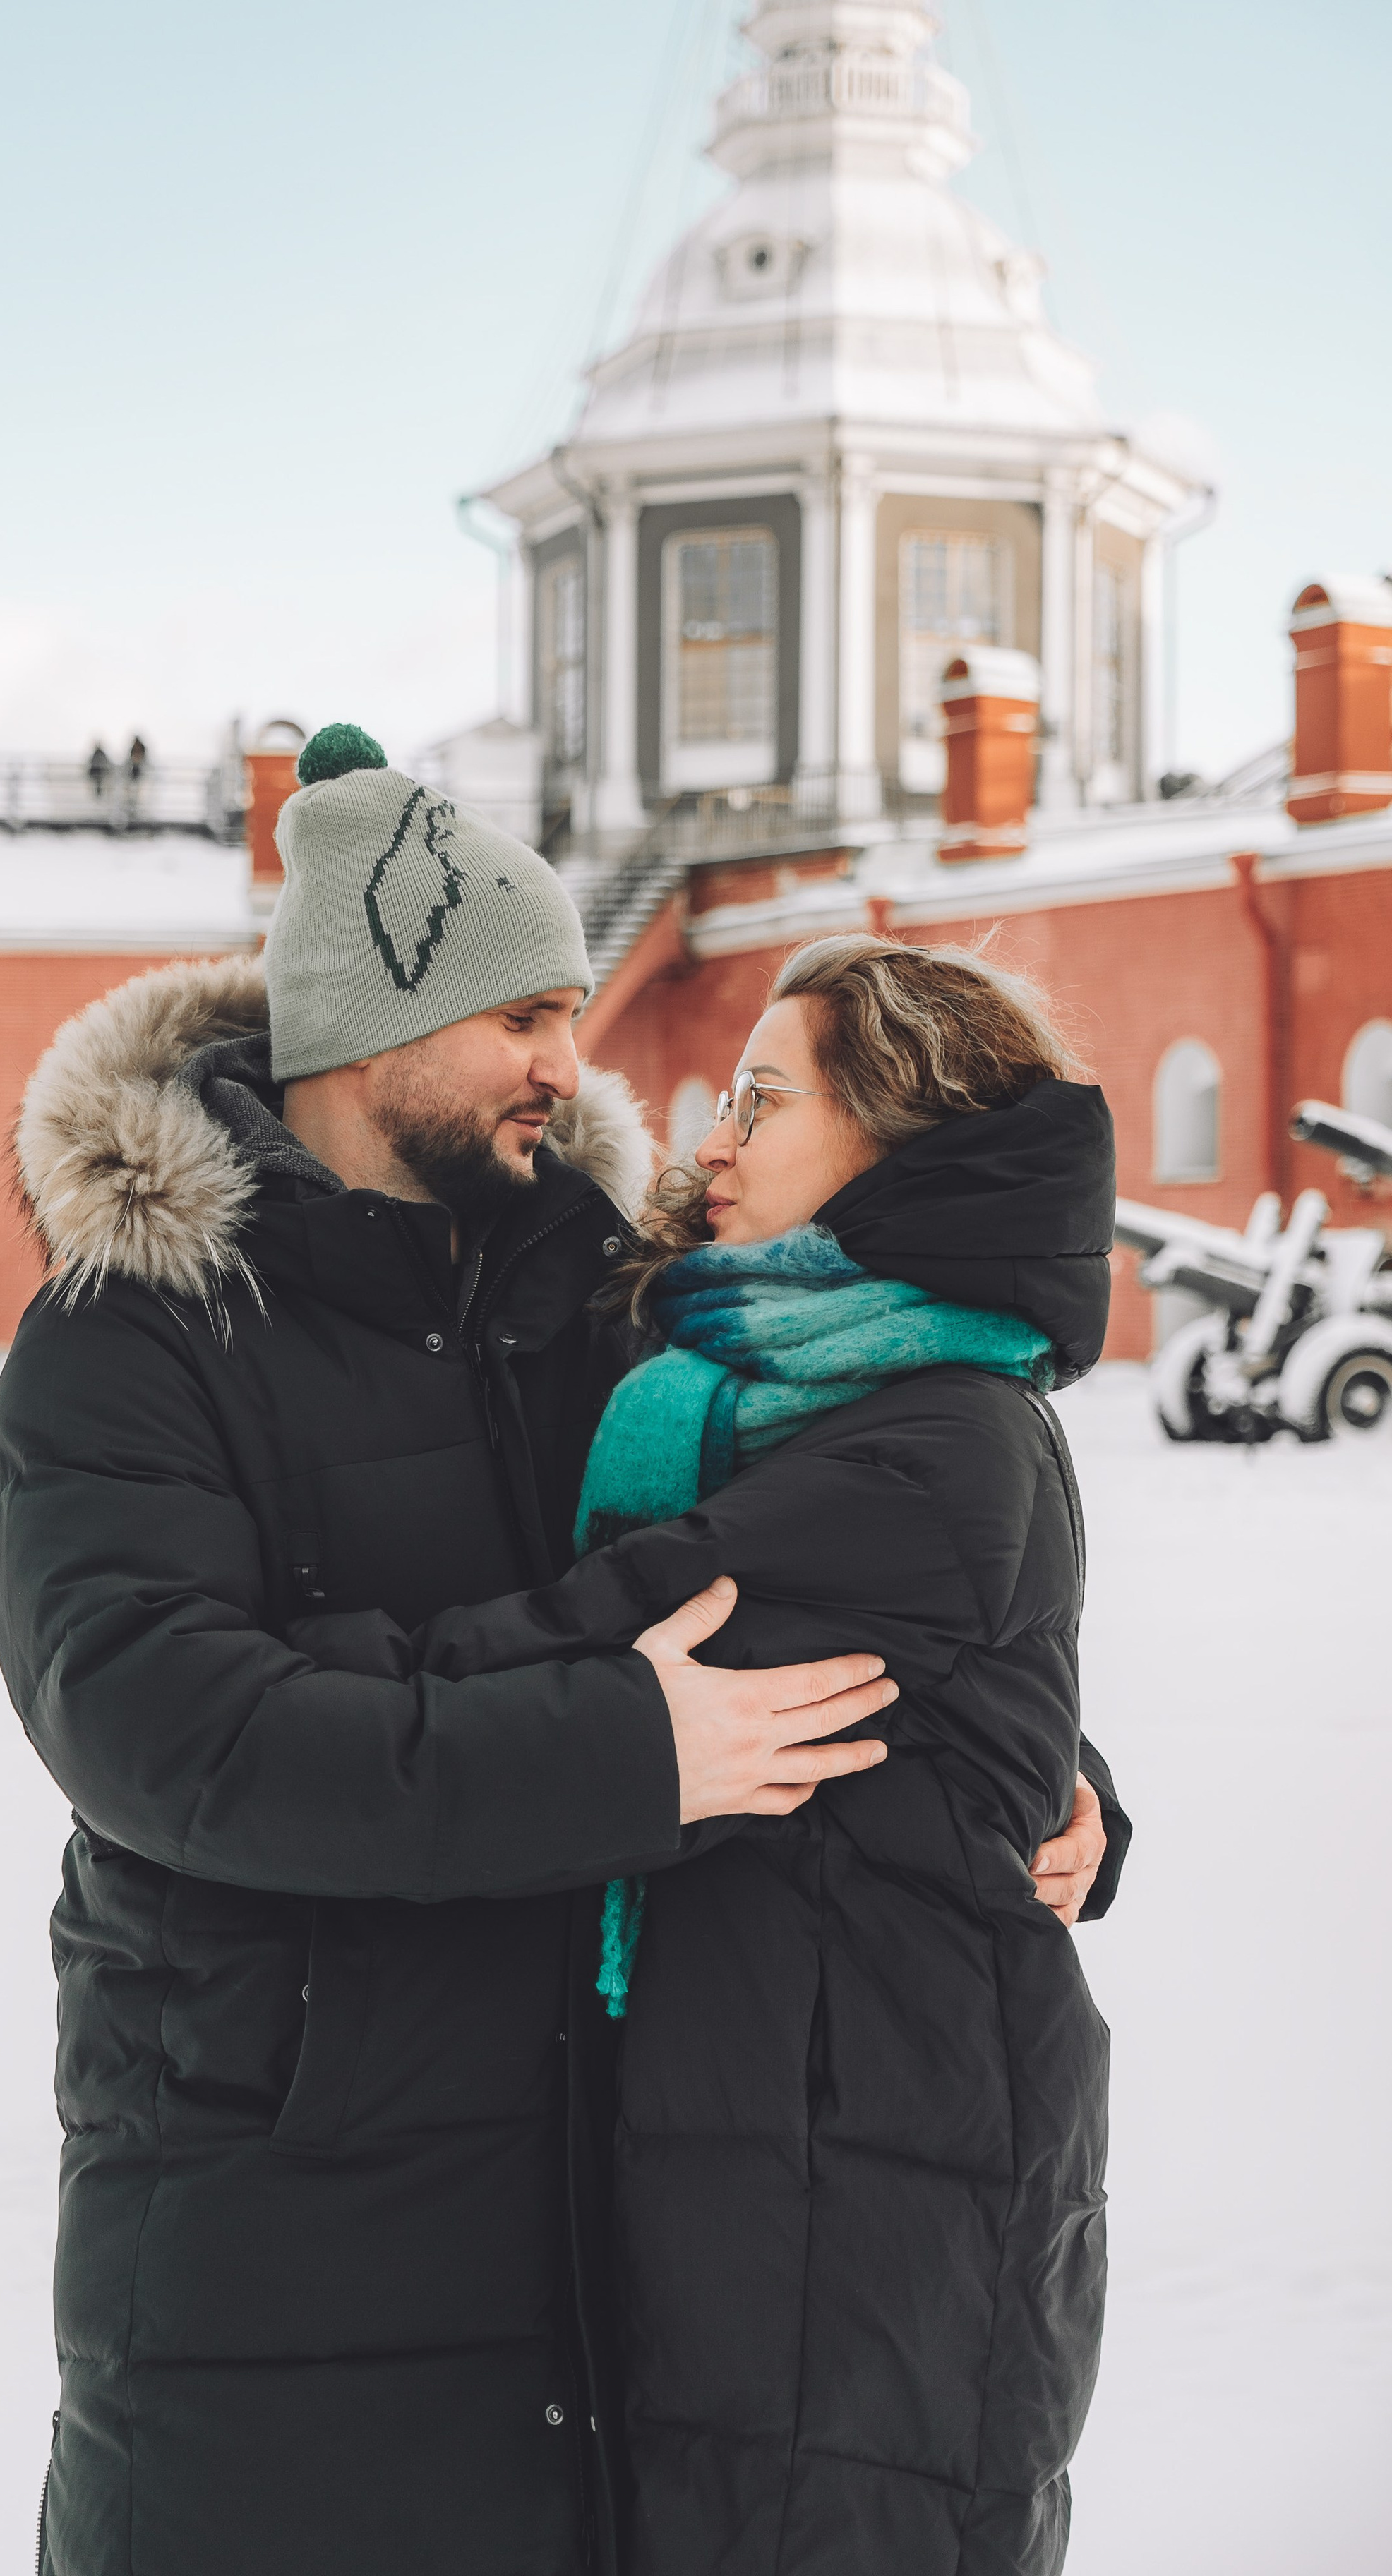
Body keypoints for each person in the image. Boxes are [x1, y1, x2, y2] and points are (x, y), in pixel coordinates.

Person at [0, 726, 910, 2576]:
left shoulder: (604, 1309)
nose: (573, 1063)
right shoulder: (134, 1339)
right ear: (361, 1031)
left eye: (572, 1012)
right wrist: (623, 1757)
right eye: (522, 1017)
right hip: (274, 2269)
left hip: (594, 2231)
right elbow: (179, 1735)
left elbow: (823, 1576)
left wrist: (1045, 1780)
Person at [400, 933, 1131, 2576]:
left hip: (865, 2206)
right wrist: (1081, 1790)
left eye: (759, 1101)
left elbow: (611, 1631)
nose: (707, 1142)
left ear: (899, 1142)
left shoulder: (931, 1437)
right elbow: (962, 1706)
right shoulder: (805, 1392)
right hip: (787, 2142)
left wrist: (260, 1695)